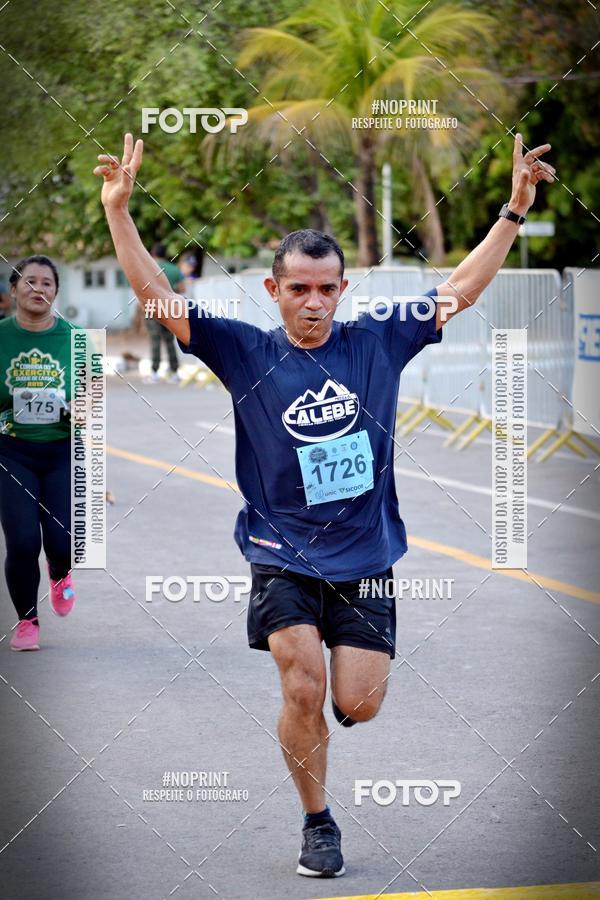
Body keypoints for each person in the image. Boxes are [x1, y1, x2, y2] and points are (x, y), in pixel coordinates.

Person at [94, 132, 554, 877]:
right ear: (273, 291)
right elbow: (157, 296)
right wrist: (120, 210)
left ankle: (333, 709)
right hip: (279, 553)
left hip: (366, 555)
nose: (313, 300)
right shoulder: (243, 348)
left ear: (343, 290)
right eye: (299, 287)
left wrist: (511, 211)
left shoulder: (378, 342)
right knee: (301, 684)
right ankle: (318, 822)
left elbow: (460, 291)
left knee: (360, 702)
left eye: (327, 287)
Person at [0, 256, 77, 651]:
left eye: (47, 283)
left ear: (55, 292)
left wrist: (76, 407)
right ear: (13, 290)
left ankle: (60, 571)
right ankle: (27, 621)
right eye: (29, 282)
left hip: (62, 452)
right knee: (23, 541)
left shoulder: (76, 339)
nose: (38, 289)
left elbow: (95, 397)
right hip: (11, 453)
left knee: (61, 542)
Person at [145, 242, 185, 382]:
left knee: (155, 341)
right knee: (170, 340)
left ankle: (154, 372)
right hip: (170, 308)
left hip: (152, 307)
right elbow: (182, 289)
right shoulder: (174, 269)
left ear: (153, 254)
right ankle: (174, 372)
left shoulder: (147, 269)